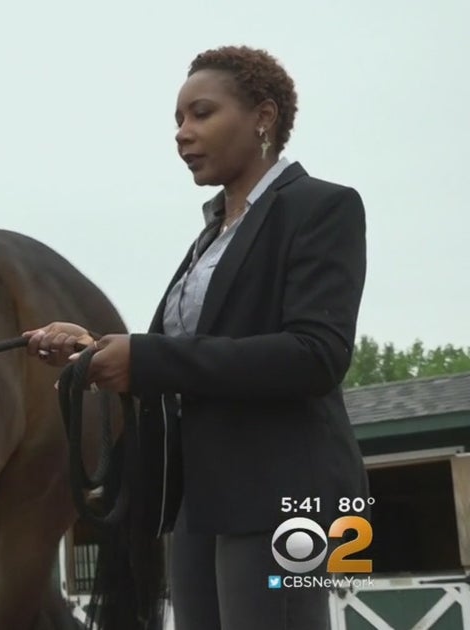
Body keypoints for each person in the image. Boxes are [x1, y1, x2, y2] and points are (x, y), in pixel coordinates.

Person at [24, 45, 369, 629]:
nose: (182, 134)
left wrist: (148, 357)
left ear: (263, 116)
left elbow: (317, 356)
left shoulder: (324, 206)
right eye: (178, 121)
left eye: (201, 114)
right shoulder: (211, 235)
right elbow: (180, 355)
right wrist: (96, 349)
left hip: (293, 494)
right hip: (200, 497)